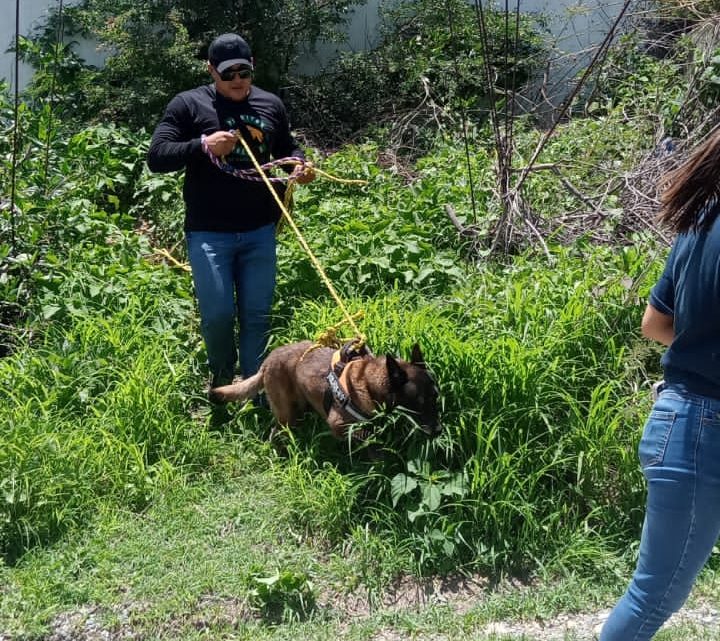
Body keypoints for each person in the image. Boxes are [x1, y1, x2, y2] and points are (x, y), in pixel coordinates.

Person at [600, 129, 720, 640]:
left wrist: (700, 344)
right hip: (705, 431)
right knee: (656, 595)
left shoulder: (701, 221)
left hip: (682, 418)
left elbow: (655, 323)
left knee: (653, 591)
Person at [147, 33, 314, 389]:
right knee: (218, 315)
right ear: (211, 71)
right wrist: (202, 145)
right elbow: (157, 156)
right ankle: (222, 377)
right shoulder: (188, 105)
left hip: (259, 229)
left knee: (257, 316)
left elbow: (287, 147)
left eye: (244, 72)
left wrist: (299, 165)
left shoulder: (270, 104)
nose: (238, 80)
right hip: (209, 231)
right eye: (228, 74)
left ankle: (254, 390)